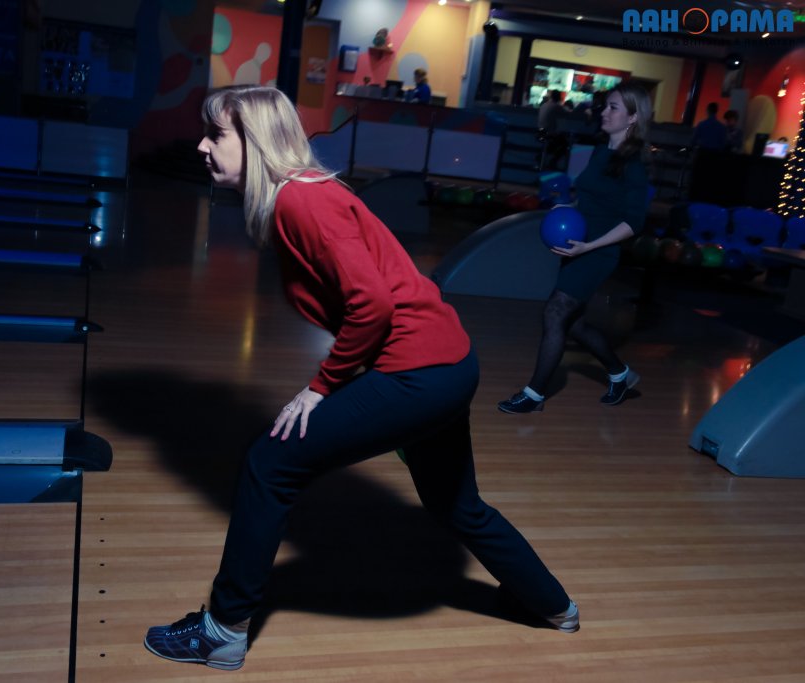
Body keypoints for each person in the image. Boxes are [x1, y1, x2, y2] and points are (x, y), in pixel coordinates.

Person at [144, 85, 578, 671]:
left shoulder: (301, 200)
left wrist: (322, 386)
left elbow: (372, 304)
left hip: (419, 372)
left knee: (270, 464)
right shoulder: (302, 195)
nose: (202, 145)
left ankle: (223, 630)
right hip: (446, 365)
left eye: (215, 134)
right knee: (456, 503)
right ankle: (553, 605)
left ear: (257, 141)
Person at [498, 82, 651, 414]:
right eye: (605, 106)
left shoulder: (634, 164)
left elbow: (633, 223)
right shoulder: (600, 151)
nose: (604, 112)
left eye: (613, 107)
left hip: (598, 250)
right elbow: (592, 201)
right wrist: (567, 209)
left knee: (555, 312)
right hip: (577, 245)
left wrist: (590, 246)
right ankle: (620, 375)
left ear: (633, 117)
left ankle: (535, 395)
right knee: (573, 323)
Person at [538, 90, 568, 170]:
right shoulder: (556, 106)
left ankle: (542, 155)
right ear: (559, 98)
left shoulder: (544, 105)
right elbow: (567, 114)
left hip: (541, 132)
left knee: (556, 142)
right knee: (565, 144)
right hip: (549, 133)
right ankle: (552, 162)